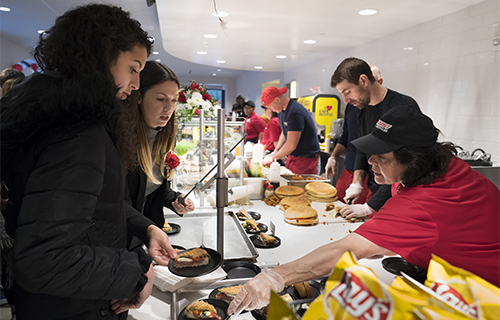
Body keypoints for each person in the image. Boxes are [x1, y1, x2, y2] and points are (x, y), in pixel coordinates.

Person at [227, 106, 500, 315]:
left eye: (381, 157)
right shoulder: (441, 168)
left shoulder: (425, 203)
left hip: (482, 297)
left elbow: (345, 250)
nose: (370, 161)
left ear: (414, 160)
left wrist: (275, 277)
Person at [0, 4, 177, 319]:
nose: (136, 84)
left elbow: (93, 201)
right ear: (102, 57)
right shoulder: (77, 135)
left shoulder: (65, 116)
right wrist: (136, 273)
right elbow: (44, 259)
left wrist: (146, 228)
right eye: (133, 68)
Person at [330, 57, 420, 219]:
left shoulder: (403, 107)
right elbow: (363, 149)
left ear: (363, 80)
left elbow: (406, 167)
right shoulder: (361, 108)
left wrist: (369, 207)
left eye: (347, 92)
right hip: (376, 188)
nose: (346, 100)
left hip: (400, 194)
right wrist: (357, 182)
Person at [122, 61, 195, 242]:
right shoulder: (123, 141)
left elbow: (149, 184)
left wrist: (173, 198)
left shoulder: (162, 136)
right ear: (139, 97)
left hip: (142, 236)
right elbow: (116, 202)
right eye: (161, 99)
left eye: (174, 100)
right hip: (120, 238)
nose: (169, 108)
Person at [325, 64, 384, 203]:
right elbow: (349, 137)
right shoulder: (354, 107)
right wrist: (333, 157)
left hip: (374, 178)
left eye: (348, 92)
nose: (346, 100)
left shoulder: (393, 109)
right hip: (351, 169)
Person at [261, 87, 321, 174]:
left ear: (277, 100)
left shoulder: (294, 112)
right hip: (294, 157)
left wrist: (273, 158)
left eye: (269, 106)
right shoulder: (281, 111)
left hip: (306, 159)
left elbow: (291, 145)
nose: (269, 109)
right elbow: (284, 132)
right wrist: (275, 151)